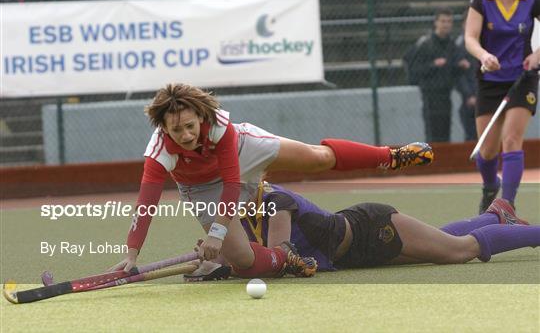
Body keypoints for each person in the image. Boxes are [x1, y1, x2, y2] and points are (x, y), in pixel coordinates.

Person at [110, 83, 434, 279]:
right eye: (177, 130)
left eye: (190, 126)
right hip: (199, 187)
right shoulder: (159, 152)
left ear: (200, 118)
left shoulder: (220, 127)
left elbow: (233, 181)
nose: (186, 135)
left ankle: (389, 156)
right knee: (241, 258)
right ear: (164, 129)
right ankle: (284, 258)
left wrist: (217, 234)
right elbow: (146, 203)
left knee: (317, 158)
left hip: (243, 151)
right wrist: (132, 253)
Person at [233, 182, 537, 271]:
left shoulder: (276, 201)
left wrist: (229, 262)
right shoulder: (241, 211)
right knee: (441, 240)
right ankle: (497, 214)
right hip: (354, 257)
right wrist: (211, 259)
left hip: (371, 228)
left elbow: (277, 256)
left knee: (460, 250)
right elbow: (239, 253)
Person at [464, 0, 540, 213]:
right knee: (487, 150)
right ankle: (490, 187)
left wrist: (537, 55)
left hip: (522, 79)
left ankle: (507, 204)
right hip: (490, 81)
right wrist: (484, 55)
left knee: (511, 139)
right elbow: (470, 38)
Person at [413, 8, 470, 142]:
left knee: (445, 133)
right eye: (443, 21)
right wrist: (433, 65)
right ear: (436, 23)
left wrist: (460, 66)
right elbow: (415, 70)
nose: (446, 25)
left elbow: (453, 69)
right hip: (430, 96)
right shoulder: (426, 44)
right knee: (433, 133)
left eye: (449, 21)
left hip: (446, 95)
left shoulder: (451, 45)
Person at [455, 11, 478, 142]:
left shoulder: (484, 41)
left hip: (485, 95)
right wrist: (469, 95)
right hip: (470, 99)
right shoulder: (459, 45)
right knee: (471, 135)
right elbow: (459, 75)